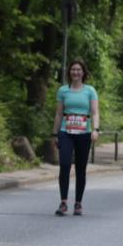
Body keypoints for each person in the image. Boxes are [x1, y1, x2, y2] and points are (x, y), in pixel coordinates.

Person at [52, 59, 99, 216]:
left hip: (84, 133)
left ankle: (78, 203)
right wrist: (55, 133)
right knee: (64, 165)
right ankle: (63, 202)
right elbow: (59, 113)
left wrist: (95, 129)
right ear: (69, 72)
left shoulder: (90, 91)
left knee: (80, 169)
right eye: (73, 69)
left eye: (79, 70)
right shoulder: (63, 91)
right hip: (66, 131)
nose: (76, 72)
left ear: (83, 72)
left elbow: (94, 112)